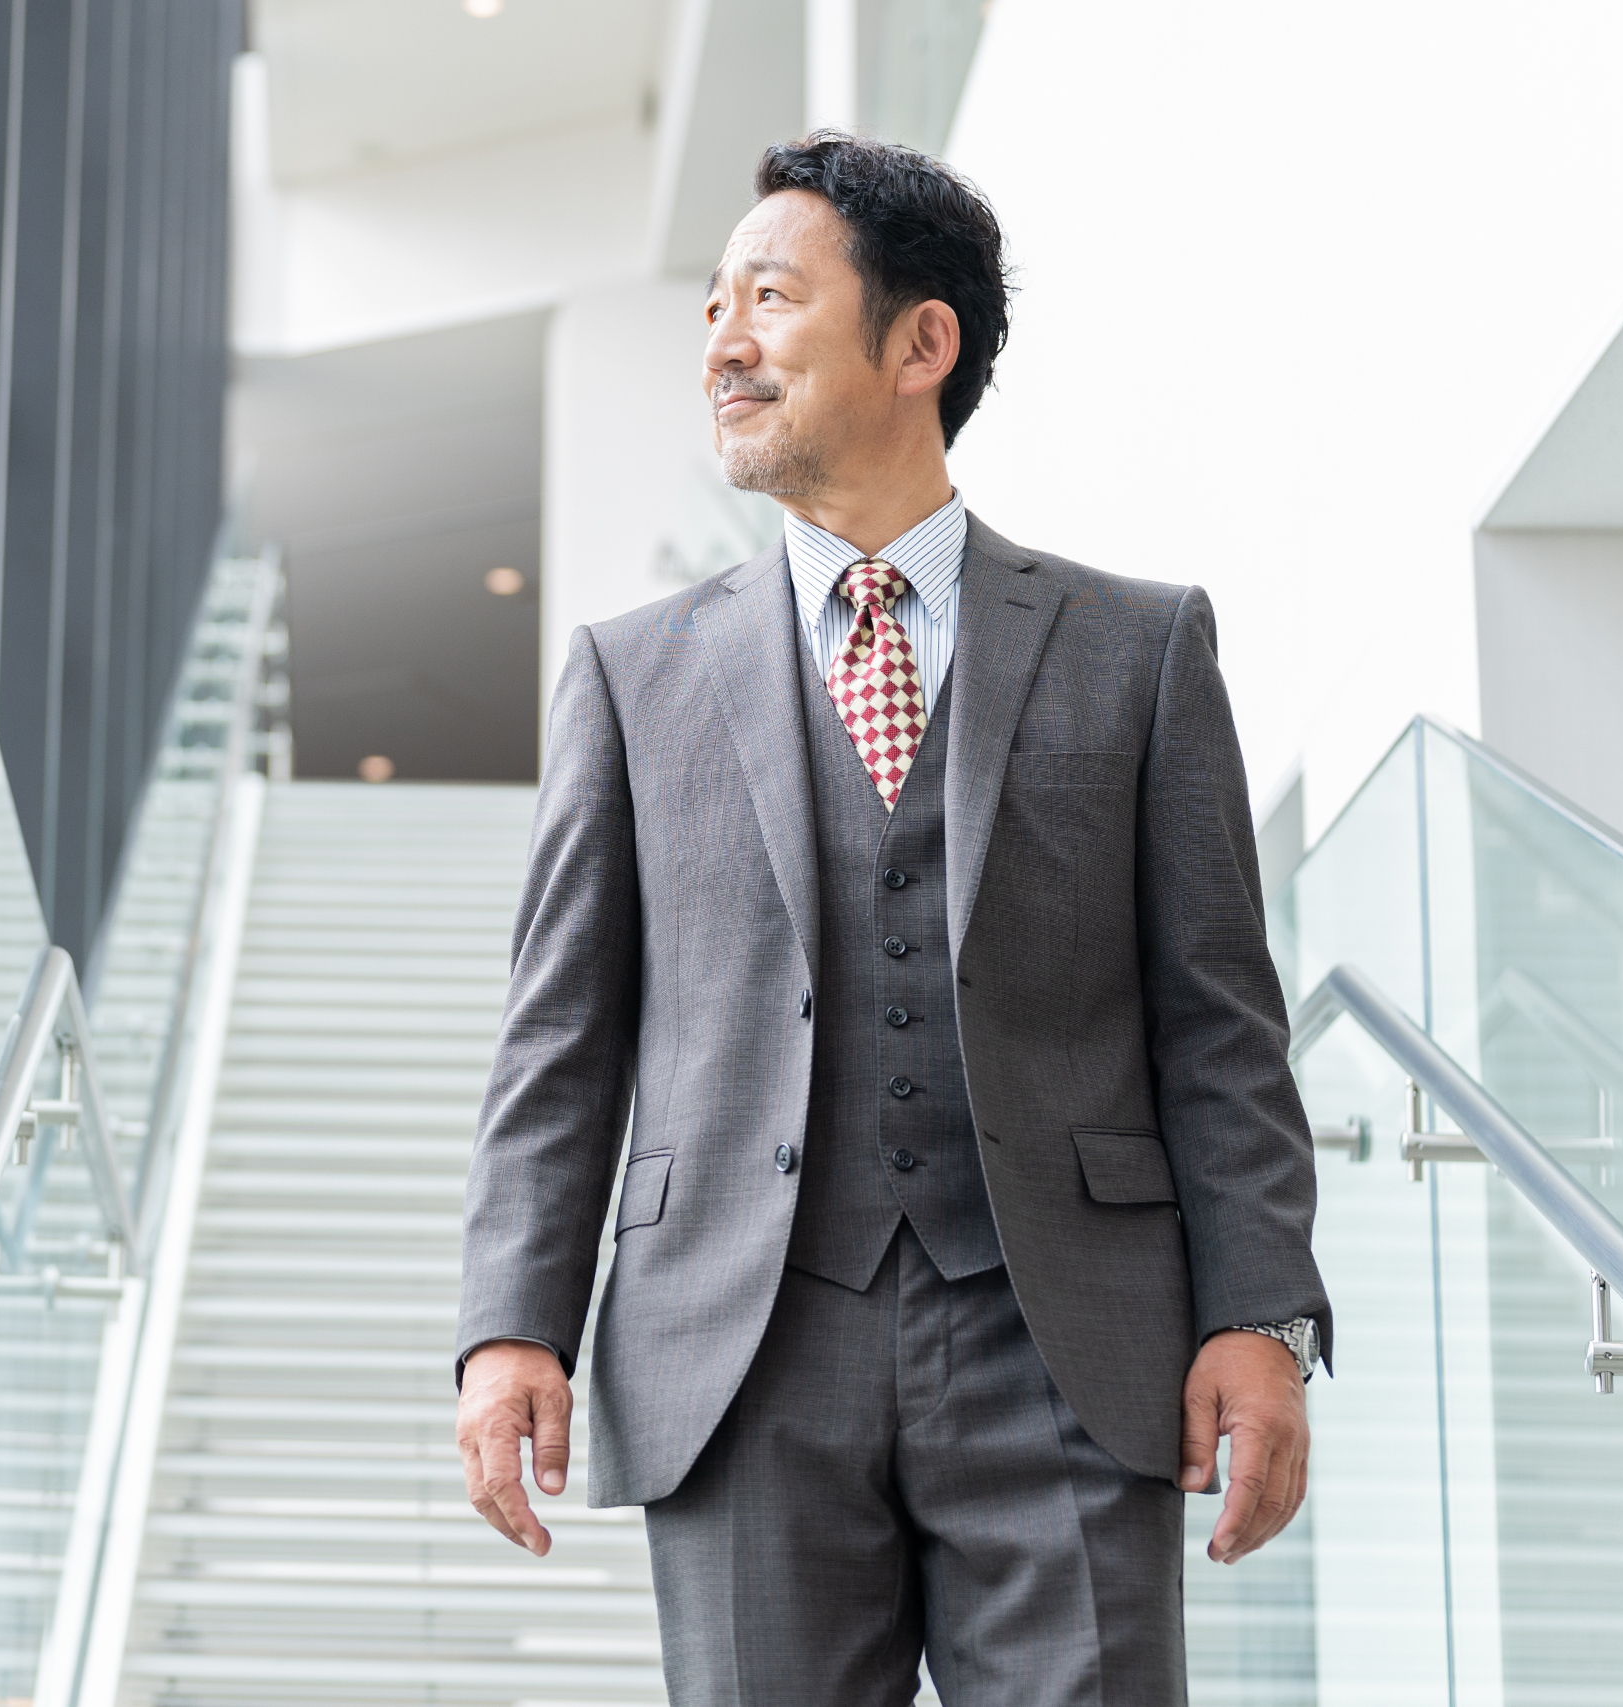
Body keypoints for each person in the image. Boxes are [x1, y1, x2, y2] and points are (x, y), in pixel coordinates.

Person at [452, 131, 1329, 1705]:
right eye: (712, 305)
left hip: (1068, 1349)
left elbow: (1221, 1023)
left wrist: (1259, 1311)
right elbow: (561, 1041)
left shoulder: (1137, 649)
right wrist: (513, 1323)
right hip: (741, 1350)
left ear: (922, 343)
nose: (722, 343)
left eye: (771, 299)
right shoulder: (629, 675)